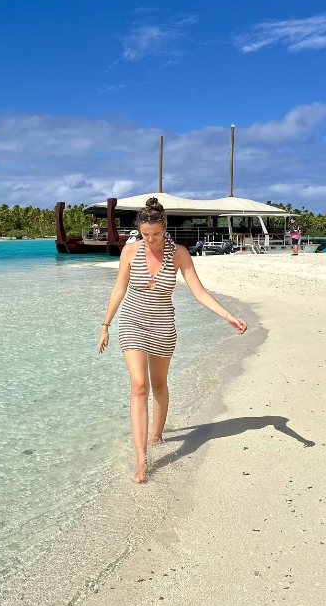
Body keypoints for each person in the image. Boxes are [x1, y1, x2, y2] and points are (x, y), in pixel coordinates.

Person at [98, 197, 247, 485]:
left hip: (163, 327)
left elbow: (199, 292)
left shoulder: (179, 254)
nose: (150, 239)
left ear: (165, 229)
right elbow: (118, 290)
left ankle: (156, 435)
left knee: (159, 385)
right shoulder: (129, 251)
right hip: (132, 322)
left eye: (156, 234)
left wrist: (228, 316)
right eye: (145, 234)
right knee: (139, 385)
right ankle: (142, 459)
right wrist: (105, 325)